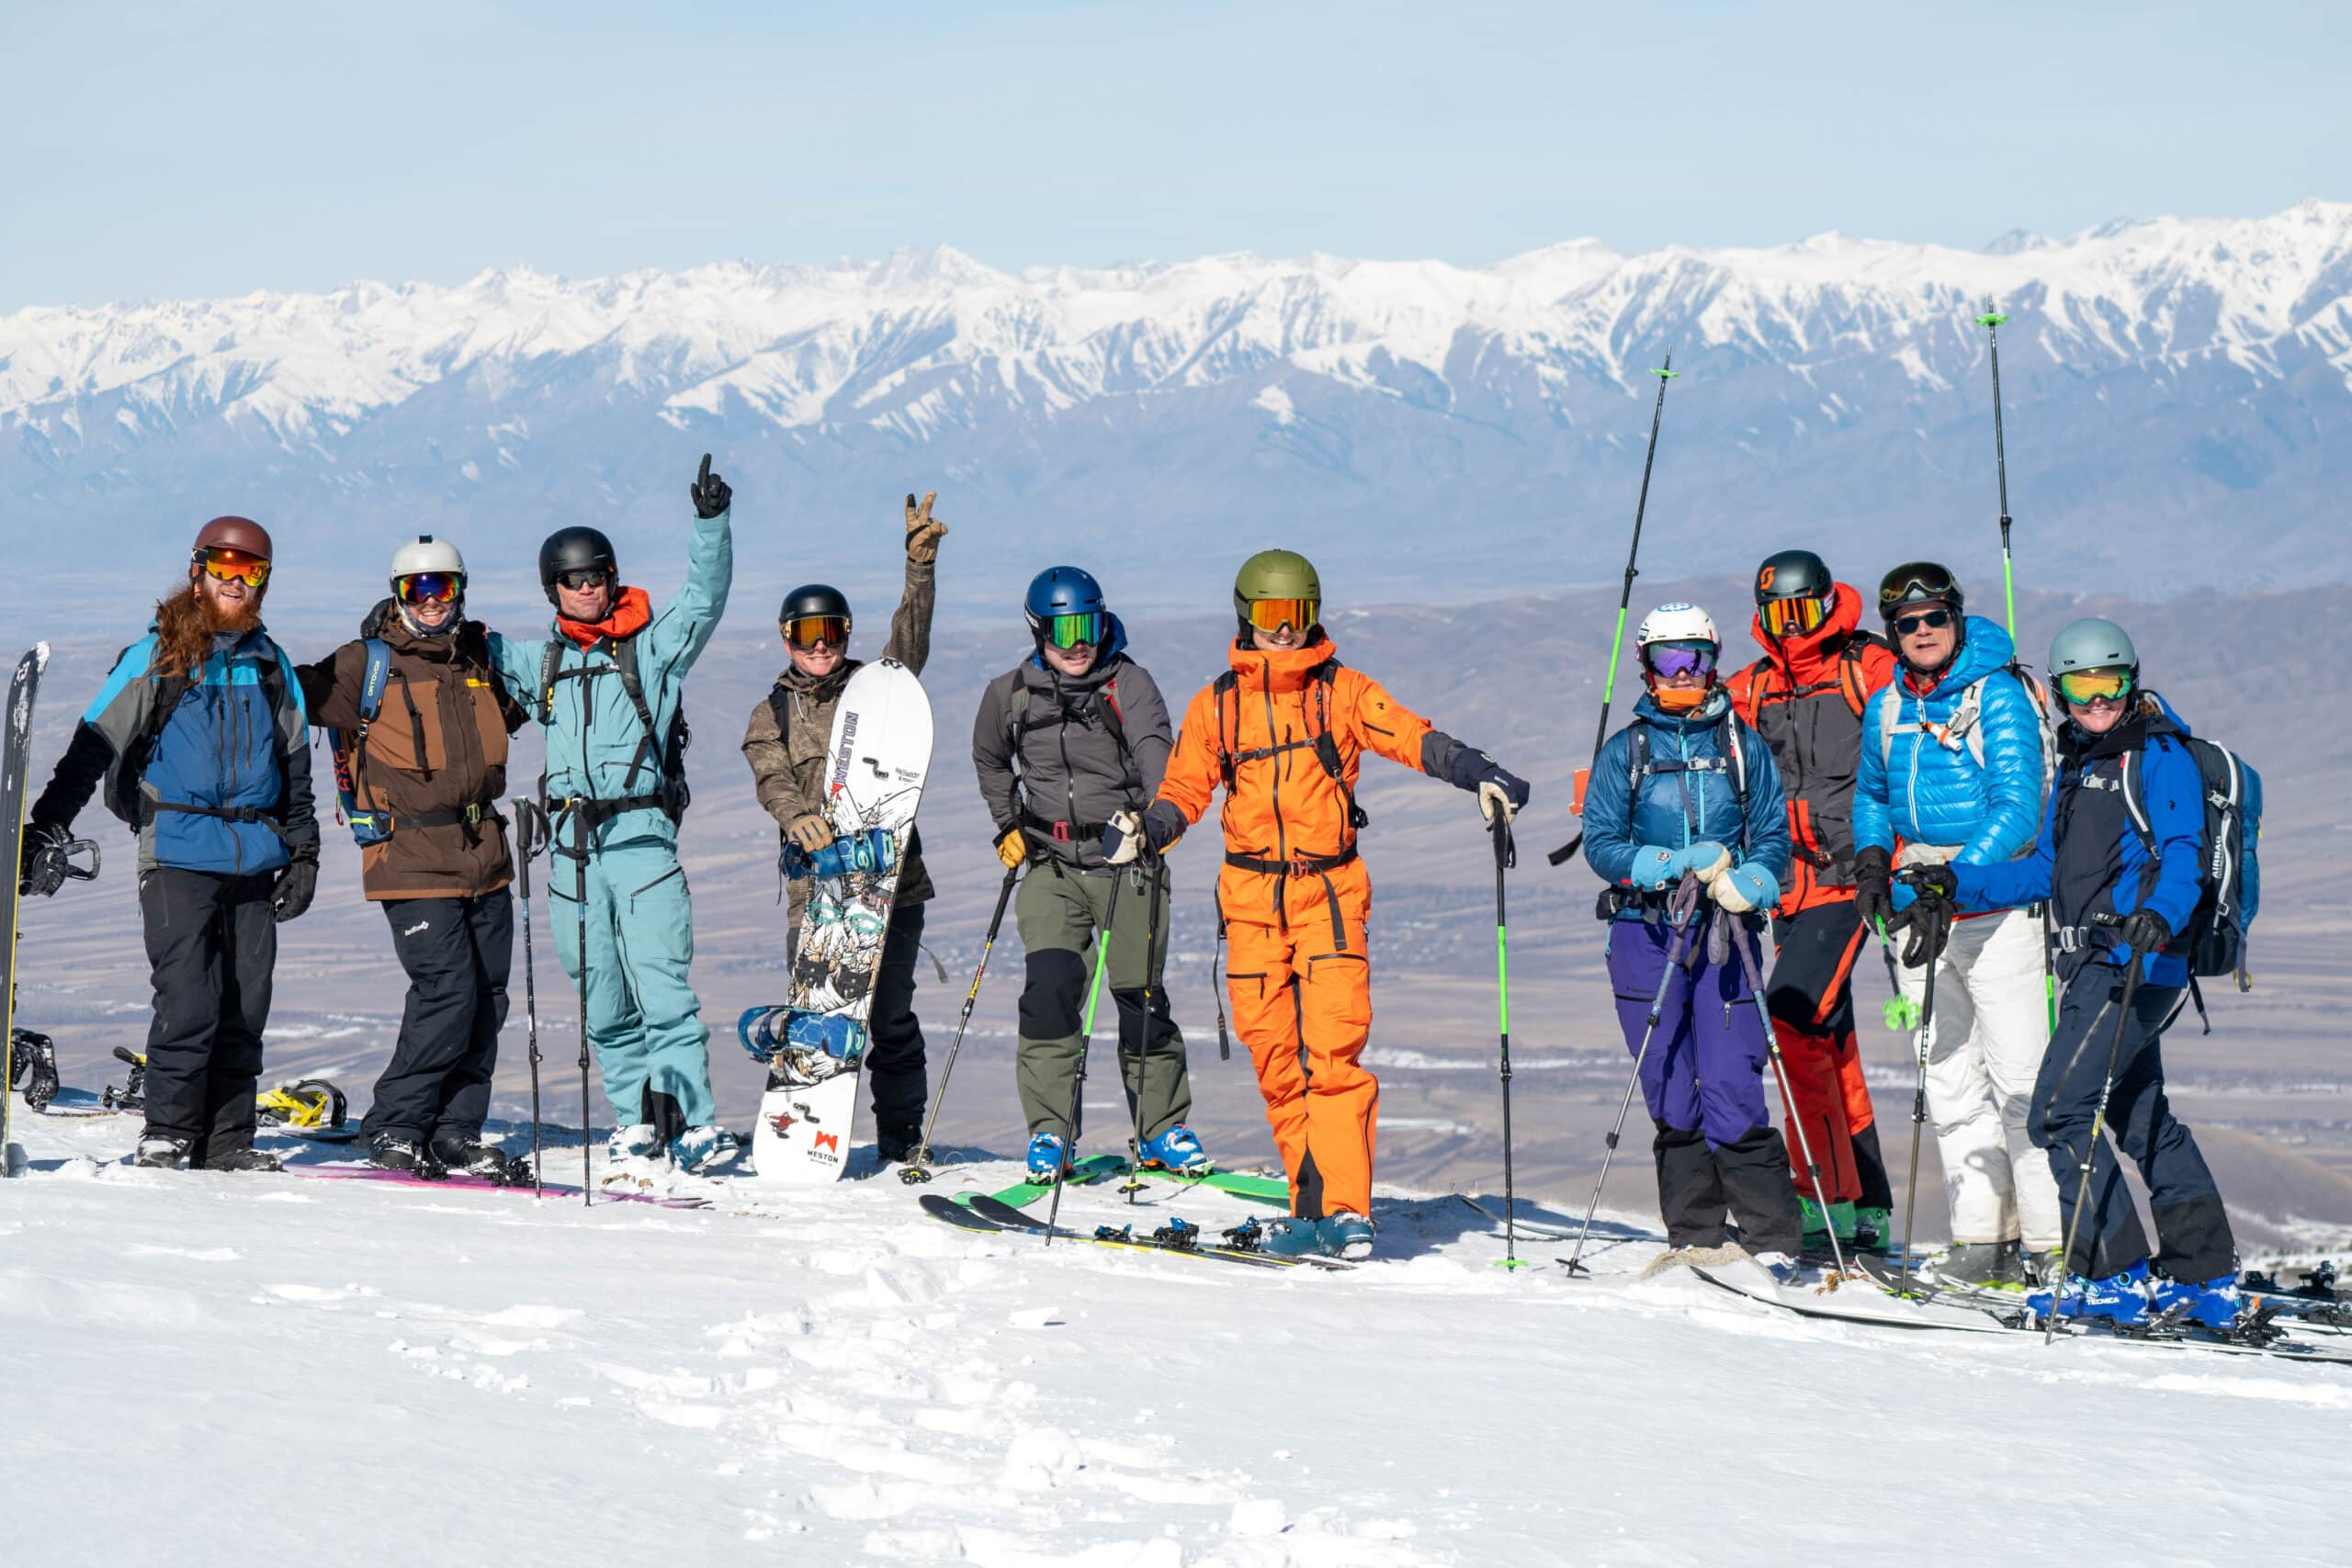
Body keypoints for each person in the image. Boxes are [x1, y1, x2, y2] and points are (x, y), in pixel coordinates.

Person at [1111, 549, 1530, 1259]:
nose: (1286, 632)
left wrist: (1477, 772)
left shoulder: (1340, 691)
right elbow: (1184, 789)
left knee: (1334, 1053)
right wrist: (1148, 832)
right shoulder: (1217, 704)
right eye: (1274, 617)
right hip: (1248, 897)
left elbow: (1409, 734)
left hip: (1328, 893)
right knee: (1275, 1057)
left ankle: (1346, 1209)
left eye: (1299, 617)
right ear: (1247, 616)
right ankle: (1310, 1205)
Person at [1910, 617, 2240, 1328]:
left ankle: (2110, 1273)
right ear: (2060, 692)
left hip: (2135, 964)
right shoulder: (2078, 764)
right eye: (2082, 687)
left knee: (2058, 1112)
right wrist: (1954, 883)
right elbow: (2041, 870)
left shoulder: (2159, 757)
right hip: (2093, 962)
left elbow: (2182, 852)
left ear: (2132, 679)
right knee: (2138, 1112)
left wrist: (2160, 913)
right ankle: (2204, 1272)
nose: (2098, 701)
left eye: (2111, 683)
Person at [17, 516, 319, 1170]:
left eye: (251, 571)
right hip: (178, 852)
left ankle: (229, 1138)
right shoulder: (160, 654)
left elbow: (297, 767)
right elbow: (94, 744)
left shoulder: (272, 665)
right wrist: (46, 825)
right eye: (223, 567)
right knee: (189, 998)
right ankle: (169, 1130)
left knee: (246, 1001)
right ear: (197, 569)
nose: (234, 582)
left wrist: (304, 853)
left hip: (256, 854)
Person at [488, 456, 734, 1174]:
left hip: (641, 841)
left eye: (597, 575)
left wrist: (711, 525)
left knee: (663, 987)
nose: (588, 587)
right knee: (600, 995)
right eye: (574, 579)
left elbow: (704, 599)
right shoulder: (541, 664)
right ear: (554, 588)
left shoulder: (651, 650)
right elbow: (458, 641)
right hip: (569, 850)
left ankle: (692, 1121)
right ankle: (634, 1120)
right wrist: (400, 611)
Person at [294, 536, 529, 1179]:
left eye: (443, 588)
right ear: (399, 595)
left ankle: (456, 1129)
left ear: (460, 591)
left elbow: (531, 709)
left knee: (487, 996)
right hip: (410, 853)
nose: (431, 602)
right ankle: (397, 1122)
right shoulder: (364, 665)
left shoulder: (478, 659)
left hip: (486, 851)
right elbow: (283, 697)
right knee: (447, 989)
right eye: (418, 590)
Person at [1852, 560, 2060, 1286]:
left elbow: (2018, 805)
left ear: (1957, 617)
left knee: (2021, 1077)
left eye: (1933, 618)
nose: (1921, 632)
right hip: (1919, 905)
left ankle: (2050, 1242)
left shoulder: (1997, 694)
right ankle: (1981, 1238)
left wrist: (1957, 878)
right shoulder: (1888, 705)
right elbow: (1873, 792)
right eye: (1906, 625)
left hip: (1995, 908)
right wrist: (1874, 859)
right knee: (1946, 1075)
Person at [1584, 603, 1804, 1264]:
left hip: (1724, 935)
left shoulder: (1742, 747)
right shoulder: (1627, 751)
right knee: (1670, 1086)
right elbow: (1600, 840)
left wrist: (1757, 882)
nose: (1682, 674)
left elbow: (1773, 837)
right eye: (1667, 661)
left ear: (1714, 663)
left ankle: (1772, 1242)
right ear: (1646, 668)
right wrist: (1665, 864)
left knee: (1733, 1083)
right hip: (1643, 934)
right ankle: (1696, 1237)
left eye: (1695, 660)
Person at [972, 565, 1197, 1181]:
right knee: (1048, 993)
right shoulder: (1010, 693)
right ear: (1038, 630)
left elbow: (1162, 763)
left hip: (1127, 862)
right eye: (1065, 628)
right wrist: (1007, 822)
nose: (1079, 642)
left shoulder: (1131, 685)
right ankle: (1051, 1133)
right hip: (1050, 862)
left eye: (1090, 625)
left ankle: (1161, 1129)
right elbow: (990, 758)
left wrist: (1151, 827)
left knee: (1139, 994)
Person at [741, 491, 947, 1163]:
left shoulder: (878, 690)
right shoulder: (770, 711)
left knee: (888, 1016)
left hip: (893, 883)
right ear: (787, 640)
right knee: (823, 1011)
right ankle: (804, 1133)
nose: (821, 645)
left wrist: (919, 569)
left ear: (847, 633)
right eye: (807, 634)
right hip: (821, 893)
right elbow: (770, 775)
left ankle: (900, 1135)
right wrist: (797, 816)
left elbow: (909, 647)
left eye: (831, 631)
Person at [1724, 548, 1900, 1255]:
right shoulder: (1756, 687)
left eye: (1802, 610)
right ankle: (1868, 1204)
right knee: (1831, 1038)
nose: (1791, 627)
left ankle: (1820, 1197)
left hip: (1850, 880)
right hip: (1785, 889)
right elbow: (1698, 727)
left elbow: (1935, 684)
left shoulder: (1867, 669)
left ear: (1829, 604)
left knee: (1791, 1015)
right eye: (1777, 615)